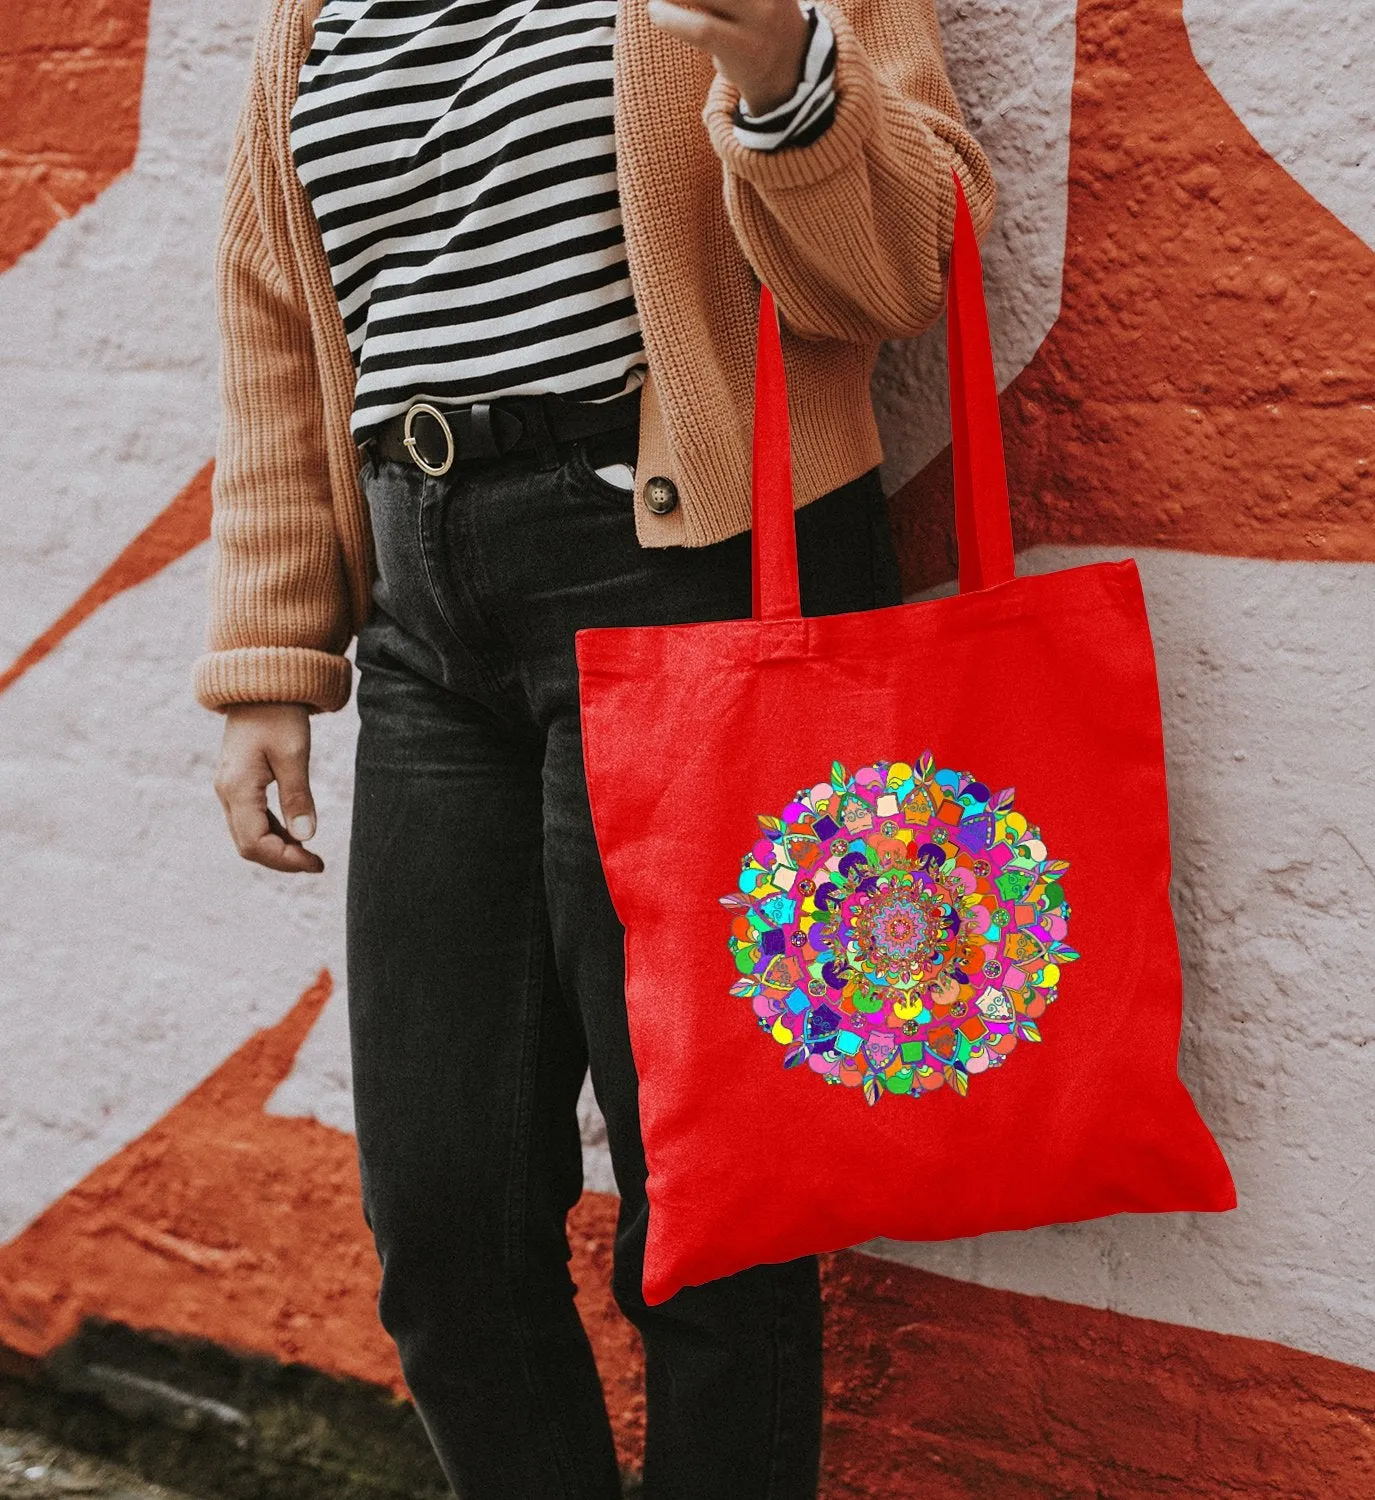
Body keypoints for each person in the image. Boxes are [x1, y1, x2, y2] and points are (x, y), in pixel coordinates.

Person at [198, 0, 995, 1493]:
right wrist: (267, 652)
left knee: (709, 1223)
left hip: (691, 583)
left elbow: (902, 269)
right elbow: (272, 314)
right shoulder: (311, 12)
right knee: (445, 1234)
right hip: (428, 620)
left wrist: (781, 71)